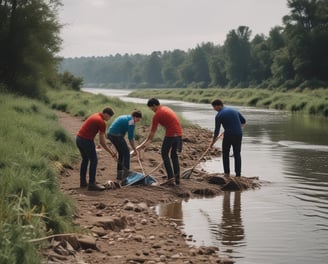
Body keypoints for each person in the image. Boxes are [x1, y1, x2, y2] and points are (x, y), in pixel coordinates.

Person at [137, 98, 183, 185]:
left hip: (171, 134)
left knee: (164, 154)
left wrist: (143, 145)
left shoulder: (157, 114)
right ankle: (177, 179)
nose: (152, 110)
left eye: (151, 108)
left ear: (154, 105)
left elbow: (152, 133)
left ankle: (170, 178)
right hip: (179, 134)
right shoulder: (166, 108)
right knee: (174, 156)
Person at [76, 107, 116, 191]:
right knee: (94, 160)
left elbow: (102, 137)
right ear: (106, 114)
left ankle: (83, 182)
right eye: (109, 117)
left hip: (79, 138)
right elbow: (102, 142)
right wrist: (111, 152)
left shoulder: (96, 115)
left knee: (85, 159)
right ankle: (92, 184)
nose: (108, 119)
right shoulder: (101, 122)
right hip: (86, 141)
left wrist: (108, 144)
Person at [210, 99, 246, 177]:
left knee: (225, 153)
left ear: (218, 106)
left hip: (229, 135)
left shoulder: (219, 115)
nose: (214, 109)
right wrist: (237, 128)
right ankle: (238, 174)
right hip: (239, 134)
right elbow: (243, 121)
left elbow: (216, 131)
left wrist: (212, 142)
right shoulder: (234, 110)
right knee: (237, 154)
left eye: (214, 107)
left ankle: (226, 173)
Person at [107, 110, 142, 181]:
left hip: (110, 134)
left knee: (121, 153)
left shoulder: (126, 117)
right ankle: (126, 176)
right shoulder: (131, 122)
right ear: (135, 117)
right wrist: (135, 150)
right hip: (116, 136)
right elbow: (130, 138)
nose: (137, 121)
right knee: (127, 153)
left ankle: (119, 175)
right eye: (138, 119)